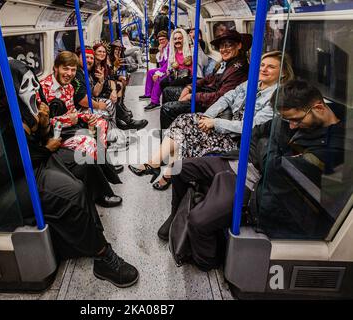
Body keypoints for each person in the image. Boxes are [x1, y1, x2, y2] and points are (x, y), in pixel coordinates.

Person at [0, 60, 138, 287]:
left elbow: (31, 144)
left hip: (27, 167)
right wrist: (45, 148)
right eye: (25, 86)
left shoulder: (9, 108)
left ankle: (85, 220)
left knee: (83, 159)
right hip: (0, 191)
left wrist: (41, 125)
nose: (32, 91)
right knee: (71, 191)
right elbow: (8, 166)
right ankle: (102, 256)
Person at [158, 80, 345, 271]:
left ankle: (205, 261)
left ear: (319, 107)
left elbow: (275, 170)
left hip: (257, 185)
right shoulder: (297, 117)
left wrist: (267, 150)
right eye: (288, 121)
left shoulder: (336, 147)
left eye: (296, 120)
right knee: (179, 167)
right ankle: (175, 216)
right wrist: (269, 152)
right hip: (244, 162)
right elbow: (257, 134)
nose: (291, 126)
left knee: (198, 221)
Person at [129, 51, 294, 190]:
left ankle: (161, 168)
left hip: (239, 140)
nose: (264, 69)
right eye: (262, 65)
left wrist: (215, 123)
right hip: (227, 126)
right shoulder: (252, 83)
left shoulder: (277, 97)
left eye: (271, 67)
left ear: (283, 72)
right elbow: (227, 98)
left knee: (186, 128)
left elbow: (250, 126)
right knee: (184, 121)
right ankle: (160, 167)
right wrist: (207, 116)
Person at [160, 29, 252, 130]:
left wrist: (192, 96)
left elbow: (220, 97)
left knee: (167, 109)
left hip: (211, 105)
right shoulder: (224, 63)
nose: (223, 49)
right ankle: (172, 130)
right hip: (205, 94)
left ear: (239, 46)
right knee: (167, 91)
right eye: (221, 46)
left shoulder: (238, 69)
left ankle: (170, 138)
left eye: (228, 45)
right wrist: (190, 87)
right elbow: (208, 78)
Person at [146, 28, 193, 112]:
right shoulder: (173, 51)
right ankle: (154, 98)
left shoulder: (190, 50)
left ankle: (157, 103)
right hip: (175, 73)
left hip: (186, 76)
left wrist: (160, 73)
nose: (177, 41)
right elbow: (167, 64)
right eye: (175, 39)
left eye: (179, 38)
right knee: (159, 78)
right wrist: (160, 52)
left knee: (161, 80)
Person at [109, 39, 149, 130]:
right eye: (116, 49)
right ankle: (126, 119)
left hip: (111, 79)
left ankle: (121, 106)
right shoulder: (108, 59)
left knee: (122, 81)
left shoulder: (119, 57)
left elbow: (115, 73)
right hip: (109, 81)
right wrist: (115, 69)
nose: (118, 51)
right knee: (119, 84)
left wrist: (121, 75)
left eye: (119, 50)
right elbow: (109, 74)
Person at [139, 30, 169, 110]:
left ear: (167, 39)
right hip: (165, 68)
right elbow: (162, 62)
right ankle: (148, 93)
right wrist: (161, 51)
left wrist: (159, 73)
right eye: (160, 40)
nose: (161, 41)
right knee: (150, 72)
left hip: (170, 70)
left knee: (158, 78)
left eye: (163, 39)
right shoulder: (163, 48)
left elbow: (168, 64)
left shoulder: (169, 48)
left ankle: (155, 102)